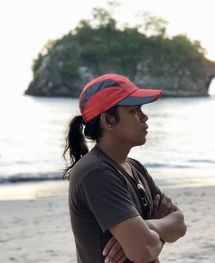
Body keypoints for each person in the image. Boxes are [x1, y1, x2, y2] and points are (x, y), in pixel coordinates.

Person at [63, 73, 187, 263]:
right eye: (134, 110)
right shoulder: (95, 172)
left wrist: (149, 227)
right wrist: (155, 232)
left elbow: (180, 224)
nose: (144, 117)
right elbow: (143, 250)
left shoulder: (135, 167)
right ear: (108, 121)